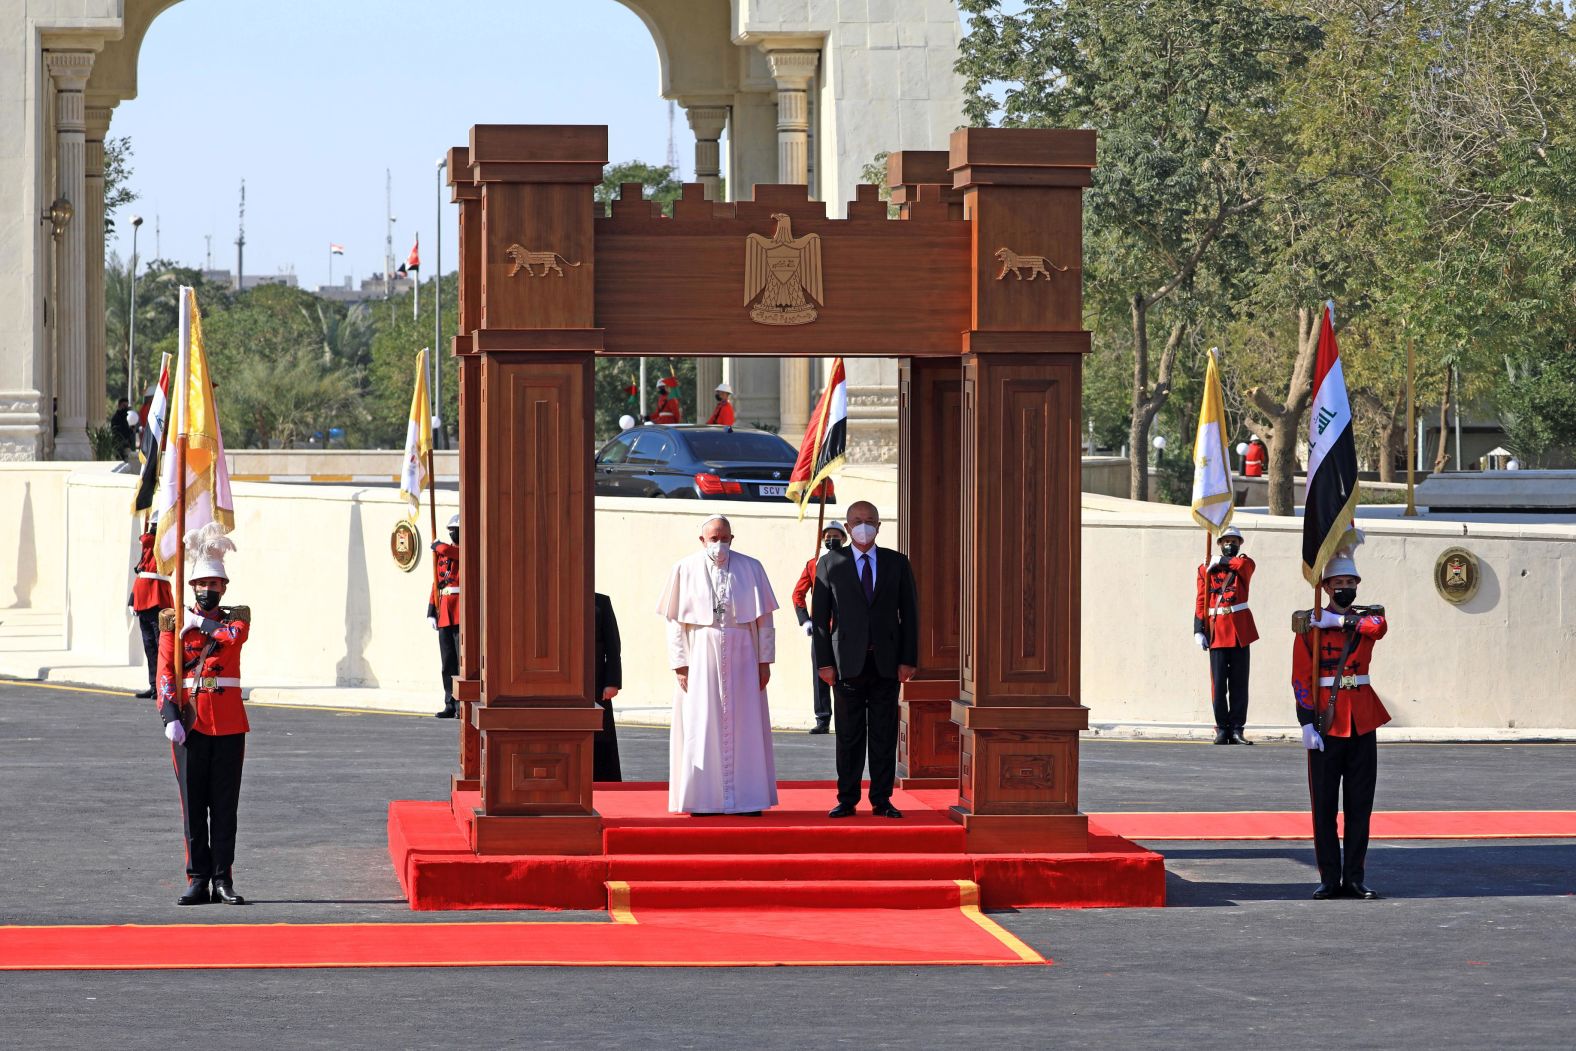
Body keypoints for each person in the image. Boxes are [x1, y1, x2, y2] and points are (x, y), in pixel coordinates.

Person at [657, 514, 779, 815]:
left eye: (724, 538)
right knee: (702, 721)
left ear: (732, 539)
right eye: (714, 538)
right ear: (702, 540)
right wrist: (680, 663)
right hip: (700, 652)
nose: (719, 544)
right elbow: (674, 622)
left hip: (743, 654)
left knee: (746, 724)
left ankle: (748, 799)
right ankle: (703, 798)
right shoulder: (684, 569)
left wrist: (764, 662)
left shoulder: (752, 567)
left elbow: (765, 621)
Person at [157, 524, 250, 906]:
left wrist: (202, 624)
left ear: (223, 588)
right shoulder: (172, 623)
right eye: (200, 583)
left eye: (214, 584)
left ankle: (222, 878)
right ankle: (197, 877)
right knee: (193, 806)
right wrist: (169, 717)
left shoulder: (237, 616)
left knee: (225, 806)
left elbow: (234, 635)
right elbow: (165, 670)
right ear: (191, 586)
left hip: (228, 724)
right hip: (190, 723)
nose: (207, 590)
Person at [1292, 547, 1389, 901]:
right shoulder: (1309, 624)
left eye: (1350, 582)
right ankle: (1329, 878)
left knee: (1360, 805)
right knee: (1324, 807)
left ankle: (1355, 878)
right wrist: (1305, 723)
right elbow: (1301, 677)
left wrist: (1340, 621)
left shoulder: (1369, 619)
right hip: (1325, 721)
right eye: (1338, 583)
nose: (1345, 588)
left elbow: (1377, 628)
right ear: (1327, 587)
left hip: (1362, 719)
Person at [813, 500, 918, 819]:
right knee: (849, 734)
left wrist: (908, 659)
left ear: (879, 526)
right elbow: (820, 619)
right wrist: (824, 663)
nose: (863, 525)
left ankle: (882, 799)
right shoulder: (830, 563)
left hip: (887, 662)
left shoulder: (897, 563)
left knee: (885, 734)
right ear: (846, 527)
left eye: (869, 520)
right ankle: (847, 798)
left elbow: (910, 614)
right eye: (857, 520)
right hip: (846, 663)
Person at [1193, 524, 1259, 745]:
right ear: (1219, 544)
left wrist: (1219, 561)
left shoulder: (1245, 563)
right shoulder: (1205, 570)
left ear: (1240, 544)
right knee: (1219, 684)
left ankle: (1238, 728)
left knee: (1240, 684)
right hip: (1217, 630)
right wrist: (1198, 629)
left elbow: (1242, 565)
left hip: (1240, 630)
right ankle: (1222, 728)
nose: (1230, 544)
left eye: (1234, 541)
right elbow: (1201, 600)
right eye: (1225, 541)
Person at [792, 521, 847, 734]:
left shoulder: (850, 561)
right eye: (827, 535)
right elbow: (798, 593)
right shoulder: (813, 564)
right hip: (821, 629)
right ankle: (823, 718)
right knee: (820, 674)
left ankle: (845, 718)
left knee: (844, 674)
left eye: (835, 535)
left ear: (843, 539)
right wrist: (805, 619)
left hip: (844, 629)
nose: (831, 539)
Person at [127, 521, 173, 699]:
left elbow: (146, 539)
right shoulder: (148, 547)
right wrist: (133, 598)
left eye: (155, 525)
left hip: (157, 598)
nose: (151, 529)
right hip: (143, 598)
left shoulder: (163, 543)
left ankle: (164, 686)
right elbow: (141, 573)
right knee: (150, 647)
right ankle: (154, 685)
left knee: (162, 646)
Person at [427, 513, 460, 718]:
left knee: (460, 663)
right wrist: (431, 610)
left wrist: (437, 545)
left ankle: (461, 705)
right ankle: (450, 703)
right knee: (447, 661)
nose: (452, 533)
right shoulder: (442, 555)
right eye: (451, 530)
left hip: (459, 611)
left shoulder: (461, 551)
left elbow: (450, 550)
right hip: (445, 613)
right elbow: (436, 584)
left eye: (455, 530)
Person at [593, 592, 623, 781]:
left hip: (597, 682)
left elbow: (613, 646)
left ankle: (604, 780)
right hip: (563, 682)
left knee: (601, 733)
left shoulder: (601, 602)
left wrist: (612, 681)